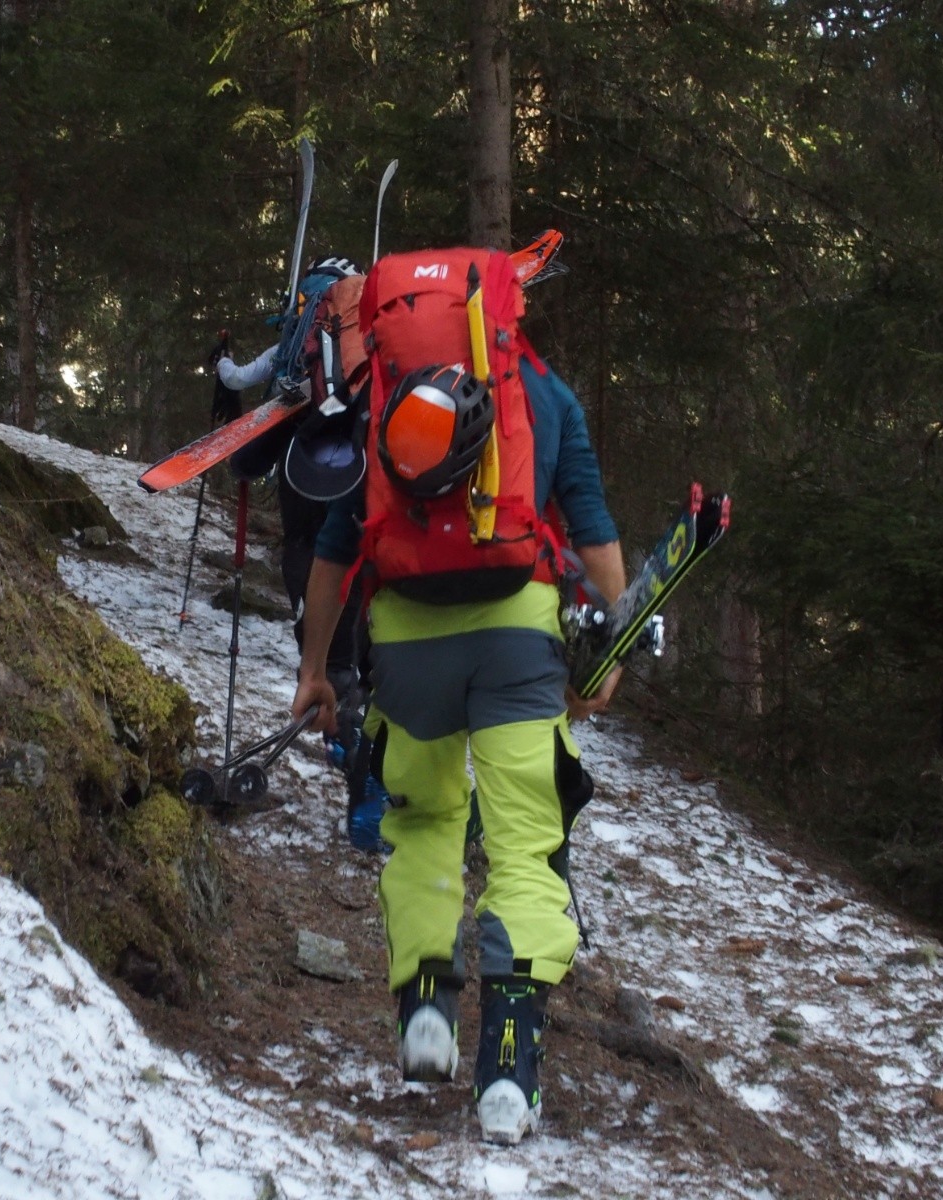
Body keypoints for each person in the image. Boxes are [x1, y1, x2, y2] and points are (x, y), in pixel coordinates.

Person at [289, 282, 626, 1145]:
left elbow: (335, 550)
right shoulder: (543, 396)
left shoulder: (388, 397)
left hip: (406, 644)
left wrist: (316, 669)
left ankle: (426, 1013)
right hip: (519, 639)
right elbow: (594, 538)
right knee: (523, 842)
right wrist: (605, 663)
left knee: (425, 819)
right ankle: (509, 1069)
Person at [217, 255, 390, 850]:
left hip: (304, 514)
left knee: (309, 565)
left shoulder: (295, 354)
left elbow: (243, 415)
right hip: (360, 498)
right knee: (362, 612)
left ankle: (340, 724)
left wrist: (221, 373)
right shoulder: (364, 354)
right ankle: (367, 768)